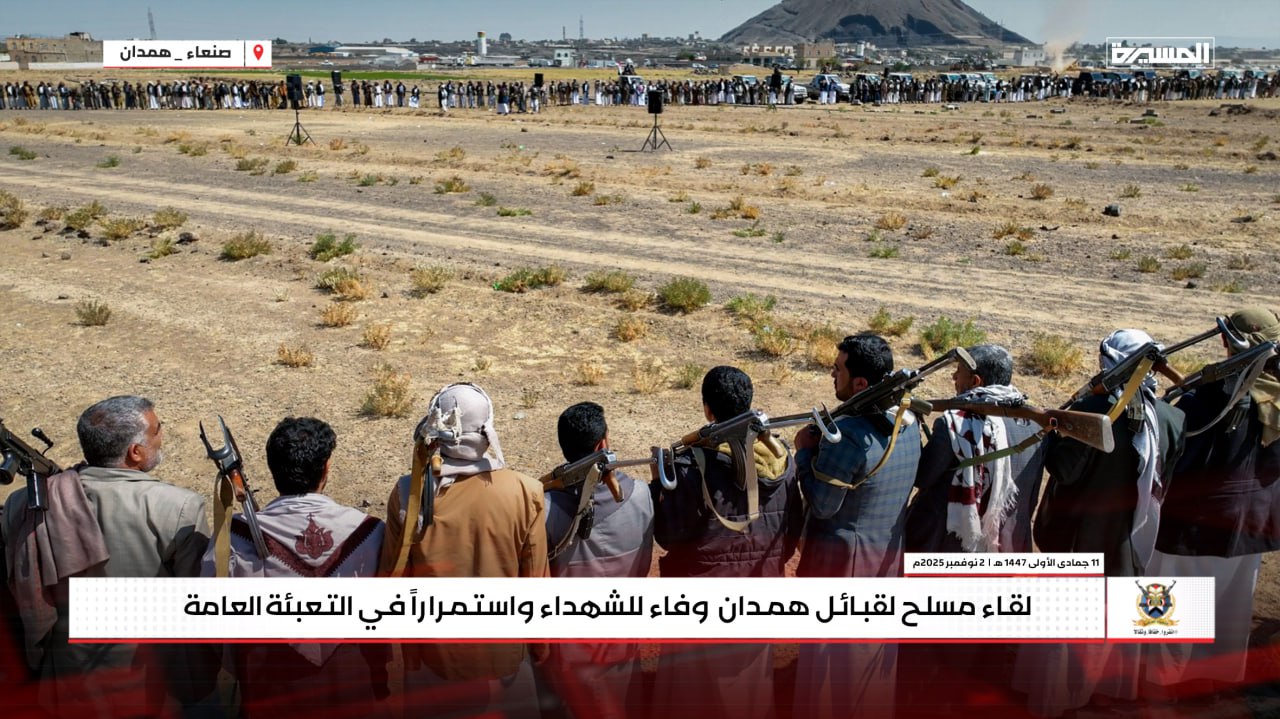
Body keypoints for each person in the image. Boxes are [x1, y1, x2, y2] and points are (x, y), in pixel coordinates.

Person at [1, 396, 210, 717]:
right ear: (135, 452)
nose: (161, 436)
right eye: (157, 430)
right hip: (148, 681)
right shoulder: (180, 508)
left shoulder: (24, 503)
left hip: (62, 682)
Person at [1017, 329, 1185, 716]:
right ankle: (1107, 691)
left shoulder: (1094, 412)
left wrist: (1059, 424)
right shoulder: (1170, 417)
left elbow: (1064, 469)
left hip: (1078, 535)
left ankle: (1057, 699)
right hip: (1132, 536)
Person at [200, 417, 388, 718]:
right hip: (351, 685)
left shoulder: (234, 536)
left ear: (273, 469)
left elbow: (212, 619)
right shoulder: (370, 531)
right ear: (326, 468)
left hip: (268, 686)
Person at [379, 383, 545, 718]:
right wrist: (540, 646)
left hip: (433, 658)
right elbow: (536, 581)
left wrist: (409, 655)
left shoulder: (409, 493)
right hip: (504, 657)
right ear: (486, 430)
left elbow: (393, 580)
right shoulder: (526, 491)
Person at [649, 366, 801, 719]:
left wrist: (659, 487)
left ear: (708, 409)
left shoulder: (691, 466)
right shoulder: (782, 458)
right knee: (751, 695)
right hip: (759, 598)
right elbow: (791, 533)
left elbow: (668, 536)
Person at [1147, 308, 1280, 692]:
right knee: (1230, 613)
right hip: (1251, 525)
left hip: (1195, 523)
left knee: (1170, 610)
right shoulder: (1270, 393)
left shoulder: (1215, 395)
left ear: (1228, 340)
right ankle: (1212, 687)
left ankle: (1159, 687)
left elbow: (1180, 436)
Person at [792, 334, 923, 719]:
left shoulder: (847, 435)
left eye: (838, 369)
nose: (832, 375)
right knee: (870, 662)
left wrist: (804, 453)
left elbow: (823, 505)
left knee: (827, 672)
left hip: (840, 568)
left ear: (861, 383)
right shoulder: (909, 420)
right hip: (885, 560)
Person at [540, 401, 654, 719]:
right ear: (603, 444)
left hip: (568, 648)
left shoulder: (543, 508)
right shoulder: (641, 494)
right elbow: (643, 565)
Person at [906, 343, 1046, 554]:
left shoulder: (954, 424)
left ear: (975, 381)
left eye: (959, 371)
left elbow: (922, 478)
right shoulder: (1036, 424)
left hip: (950, 544)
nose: (954, 377)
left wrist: (911, 428)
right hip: (1008, 543)